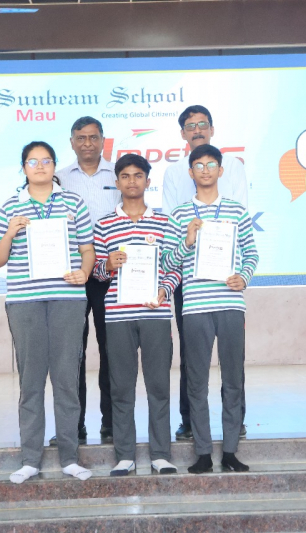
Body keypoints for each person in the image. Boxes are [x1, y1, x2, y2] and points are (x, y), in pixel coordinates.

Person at [0, 141, 95, 484]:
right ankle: (30, 460)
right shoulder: (10, 206)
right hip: (25, 302)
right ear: (24, 168)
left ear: (54, 165)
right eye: (32, 161)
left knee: (66, 380)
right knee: (31, 381)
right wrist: (10, 232)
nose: (39, 166)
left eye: (46, 160)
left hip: (67, 300)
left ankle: (70, 458)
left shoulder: (73, 202)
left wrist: (84, 272)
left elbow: (87, 249)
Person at [162, 144, 259, 474]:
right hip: (195, 307)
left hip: (230, 303)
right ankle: (203, 452)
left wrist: (243, 277)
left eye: (211, 164)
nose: (205, 170)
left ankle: (230, 451)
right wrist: (187, 241)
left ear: (221, 170)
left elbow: (251, 254)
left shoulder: (236, 211)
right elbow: (167, 262)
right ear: (190, 172)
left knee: (233, 379)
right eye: (199, 166)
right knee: (196, 382)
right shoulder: (179, 215)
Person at [93, 154, 180, 476]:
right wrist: (107, 265)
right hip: (118, 316)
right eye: (126, 176)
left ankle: (161, 455)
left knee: (158, 385)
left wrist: (165, 290)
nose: (132, 181)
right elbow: (96, 273)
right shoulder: (103, 224)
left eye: (138, 175)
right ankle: (125, 456)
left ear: (148, 181)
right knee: (121, 387)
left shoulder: (165, 222)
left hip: (155, 314)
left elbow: (174, 267)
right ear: (117, 182)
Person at [56, 117, 120, 444]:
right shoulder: (59, 178)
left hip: (111, 273)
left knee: (113, 351)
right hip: (73, 275)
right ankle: (73, 427)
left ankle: (112, 425)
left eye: (93, 137)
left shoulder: (119, 174)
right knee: (72, 354)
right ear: (71, 142)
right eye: (81, 138)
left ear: (103, 140)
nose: (87, 144)